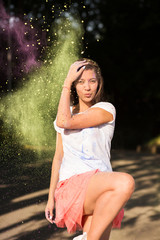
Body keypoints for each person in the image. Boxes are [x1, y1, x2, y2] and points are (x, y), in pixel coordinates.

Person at [45, 58, 135, 240]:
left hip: (101, 187)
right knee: (126, 182)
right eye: (80, 82)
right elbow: (58, 156)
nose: (87, 87)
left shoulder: (106, 109)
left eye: (92, 81)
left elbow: (66, 122)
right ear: (74, 85)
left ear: (98, 84)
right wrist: (50, 198)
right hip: (71, 185)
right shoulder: (65, 113)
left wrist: (68, 82)